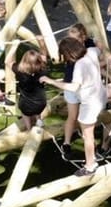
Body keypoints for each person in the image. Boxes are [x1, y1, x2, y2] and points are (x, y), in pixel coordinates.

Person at [42, 37, 107, 176]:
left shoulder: (79, 65)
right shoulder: (91, 51)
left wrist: (51, 81)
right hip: (100, 96)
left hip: (89, 104)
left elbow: (73, 87)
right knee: (89, 132)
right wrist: (96, 39)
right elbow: (100, 48)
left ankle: (90, 165)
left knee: (87, 136)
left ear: (68, 53)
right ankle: (93, 157)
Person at [57, 24, 98, 161]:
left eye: (74, 39)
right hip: (71, 85)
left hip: (85, 87)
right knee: (73, 116)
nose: (71, 42)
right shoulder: (69, 48)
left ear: (83, 37)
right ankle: (66, 143)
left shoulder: (90, 46)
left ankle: (89, 143)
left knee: (85, 118)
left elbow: (98, 57)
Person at [5, 37, 48, 130]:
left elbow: (7, 61)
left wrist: (14, 46)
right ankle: (38, 120)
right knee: (36, 106)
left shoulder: (19, 71)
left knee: (25, 112)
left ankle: (29, 129)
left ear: (24, 60)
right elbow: (44, 55)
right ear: (38, 61)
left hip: (26, 106)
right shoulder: (42, 69)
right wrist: (41, 42)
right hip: (41, 103)